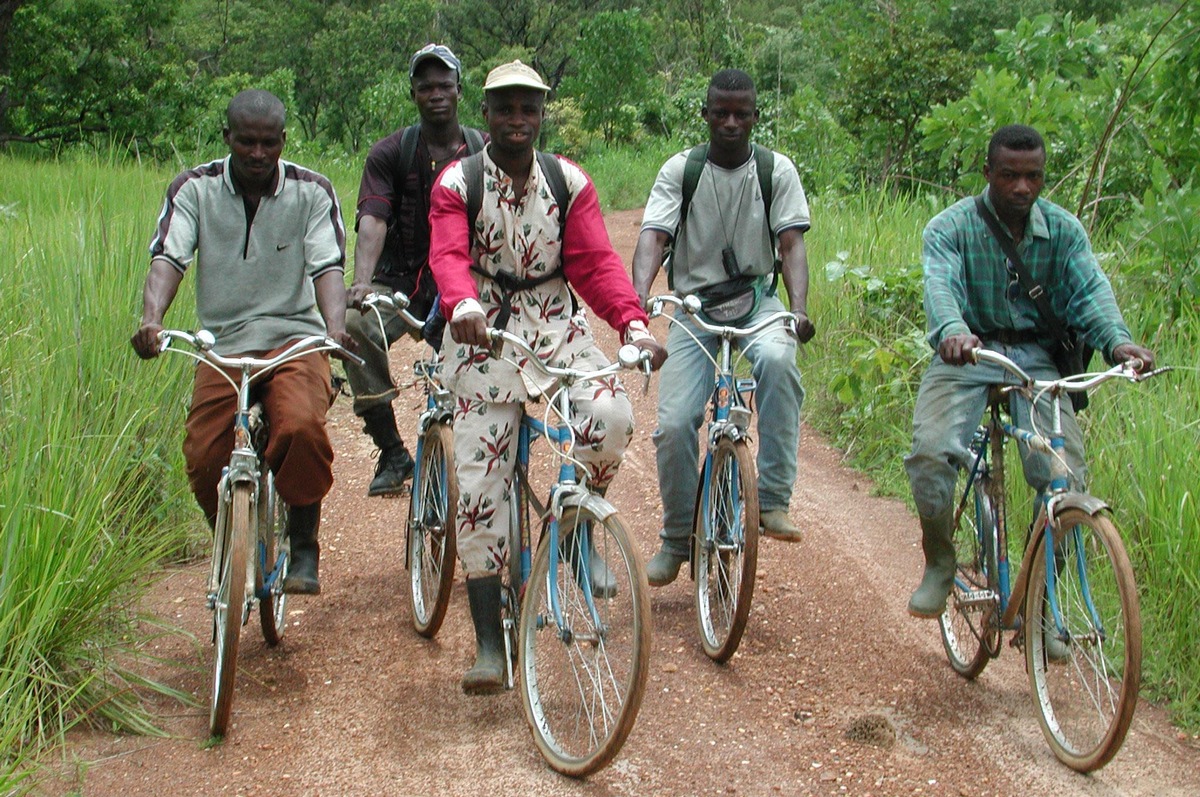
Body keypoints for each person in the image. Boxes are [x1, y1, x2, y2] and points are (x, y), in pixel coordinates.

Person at [428, 60, 667, 694]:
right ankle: (486, 644)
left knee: (610, 417)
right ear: (487, 114)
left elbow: (594, 263)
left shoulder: (568, 181)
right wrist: (464, 304)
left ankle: (577, 530)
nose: (516, 120)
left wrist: (632, 325)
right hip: (486, 336)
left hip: (557, 326)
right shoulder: (458, 181)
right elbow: (448, 255)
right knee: (481, 485)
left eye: (527, 109)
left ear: (541, 115)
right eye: (504, 108)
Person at [904, 124, 1155, 618]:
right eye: (1009, 175)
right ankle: (939, 562)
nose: (1022, 187)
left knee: (1064, 476)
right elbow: (941, 286)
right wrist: (953, 331)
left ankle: (1039, 597)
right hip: (969, 353)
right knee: (932, 452)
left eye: (1033, 176)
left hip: (1037, 359)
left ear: (1043, 176)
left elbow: (1091, 293)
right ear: (988, 173)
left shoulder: (1063, 231)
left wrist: (1119, 343)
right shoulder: (949, 227)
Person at [131, 89, 354, 596]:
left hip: (294, 339)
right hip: (223, 345)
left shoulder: (311, 192)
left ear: (282, 141)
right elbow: (170, 257)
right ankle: (232, 543)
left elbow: (326, 266)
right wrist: (152, 319)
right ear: (227, 137)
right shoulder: (194, 190)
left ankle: (303, 543)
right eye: (247, 142)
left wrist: (333, 328)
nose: (258, 154)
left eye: (269, 143)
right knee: (204, 453)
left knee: (300, 425)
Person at [631, 68, 816, 587]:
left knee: (779, 361)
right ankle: (676, 537)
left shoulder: (776, 171)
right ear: (706, 115)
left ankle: (773, 501)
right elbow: (653, 236)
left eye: (742, 114)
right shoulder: (681, 170)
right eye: (721, 113)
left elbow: (792, 245)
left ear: (756, 117)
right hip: (693, 308)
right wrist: (639, 296)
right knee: (673, 423)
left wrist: (797, 309)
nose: (731, 122)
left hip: (756, 301)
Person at [345, 43, 487, 497]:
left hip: (467, 281)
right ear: (413, 94)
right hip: (403, 283)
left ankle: (485, 459)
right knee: (352, 325)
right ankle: (391, 449)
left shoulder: (484, 151)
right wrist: (363, 282)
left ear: (459, 90)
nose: (436, 93)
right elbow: (374, 217)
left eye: (444, 84)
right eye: (425, 86)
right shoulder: (391, 153)